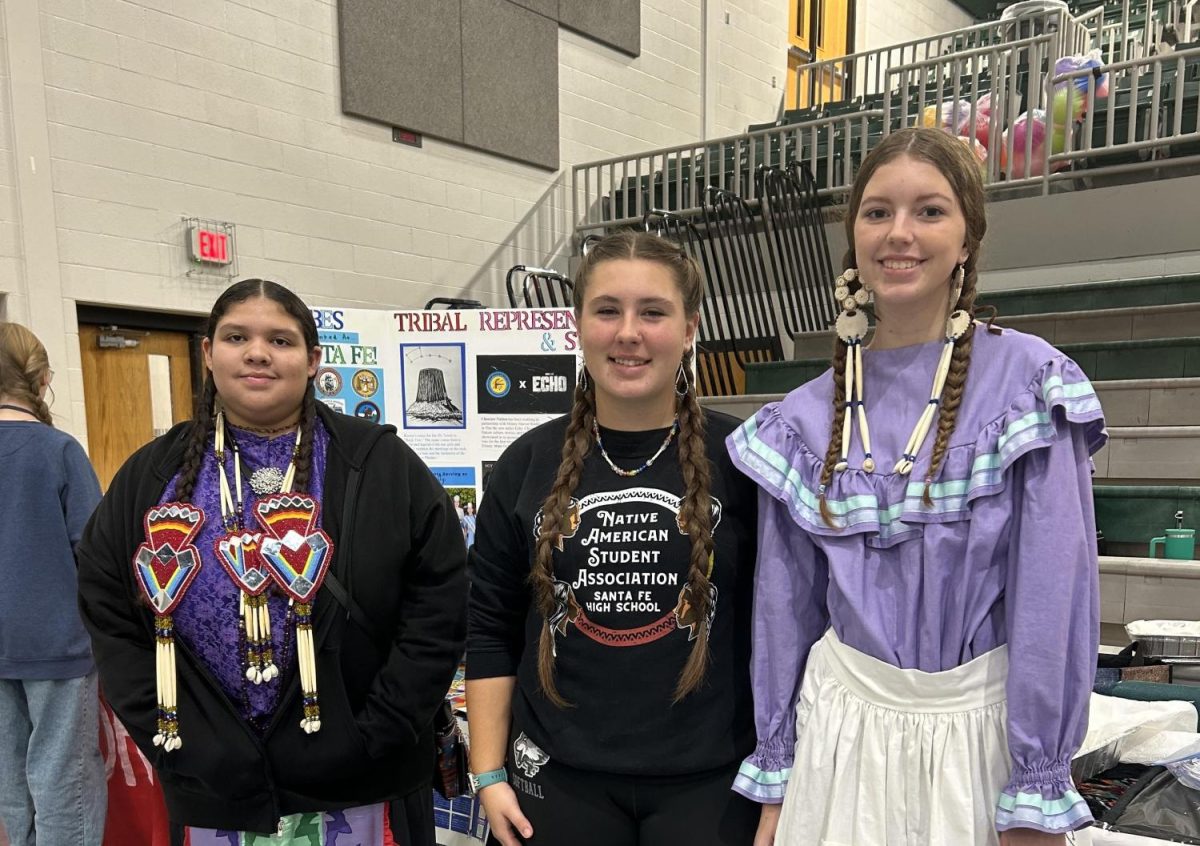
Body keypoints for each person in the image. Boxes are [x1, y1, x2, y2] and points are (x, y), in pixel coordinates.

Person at [728, 127, 1105, 846]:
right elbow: (784, 613)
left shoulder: (1028, 387)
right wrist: (778, 776)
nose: (899, 233)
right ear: (853, 237)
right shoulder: (804, 419)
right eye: (877, 212)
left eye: (929, 211)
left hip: (979, 740)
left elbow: (1054, 597)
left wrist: (1036, 784)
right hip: (840, 736)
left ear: (967, 239)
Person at [76, 279, 467, 845]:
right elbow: (107, 607)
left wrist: (378, 731)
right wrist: (173, 737)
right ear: (208, 353)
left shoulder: (378, 464)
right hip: (214, 786)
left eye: (280, 340)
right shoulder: (153, 474)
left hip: (361, 781)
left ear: (312, 361)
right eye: (237, 337)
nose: (257, 352)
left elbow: (440, 600)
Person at [466, 230, 761, 846]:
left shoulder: (746, 459)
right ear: (579, 326)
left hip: (711, 784)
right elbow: (490, 625)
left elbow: (785, 627)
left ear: (689, 329)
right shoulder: (525, 464)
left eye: (653, 312)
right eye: (607, 310)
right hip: (555, 781)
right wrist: (488, 772)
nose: (629, 332)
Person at [0, 323, 106, 846]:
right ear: (41, 380)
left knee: (12, 779)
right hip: (56, 642)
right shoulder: (58, 450)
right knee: (63, 776)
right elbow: (95, 551)